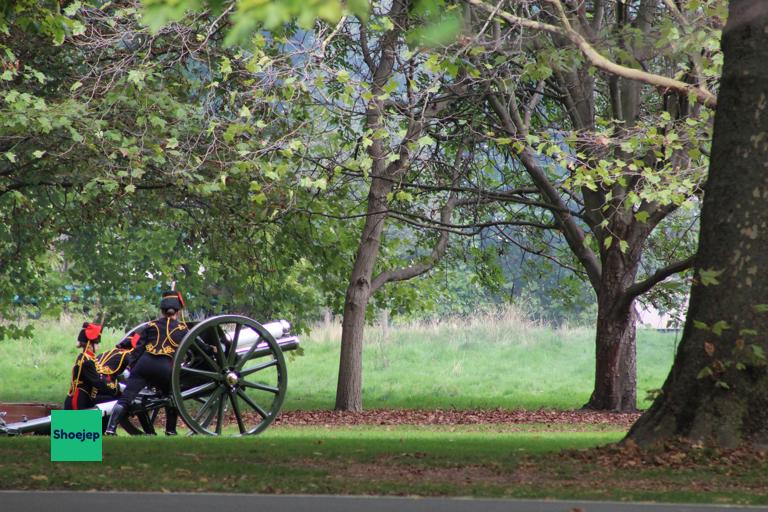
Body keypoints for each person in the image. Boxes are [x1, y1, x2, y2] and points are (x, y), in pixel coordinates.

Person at [104, 290, 188, 436]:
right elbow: (196, 345)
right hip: (164, 367)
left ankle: (110, 429)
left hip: (144, 364)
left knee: (126, 398)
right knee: (172, 396)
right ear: (178, 310)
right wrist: (210, 348)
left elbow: (138, 350)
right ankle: (170, 430)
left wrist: (131, 367)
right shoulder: (182, 329)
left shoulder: (151, 325)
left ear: (162, 310)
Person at [64, 322, 119, 410]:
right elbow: (97, 382)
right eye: (97, 343)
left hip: (82, 397)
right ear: (90, 344)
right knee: (75, 424)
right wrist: (115, 389)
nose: (99, 345)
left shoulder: (85, 357)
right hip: (79, 401)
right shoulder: (87, 361)